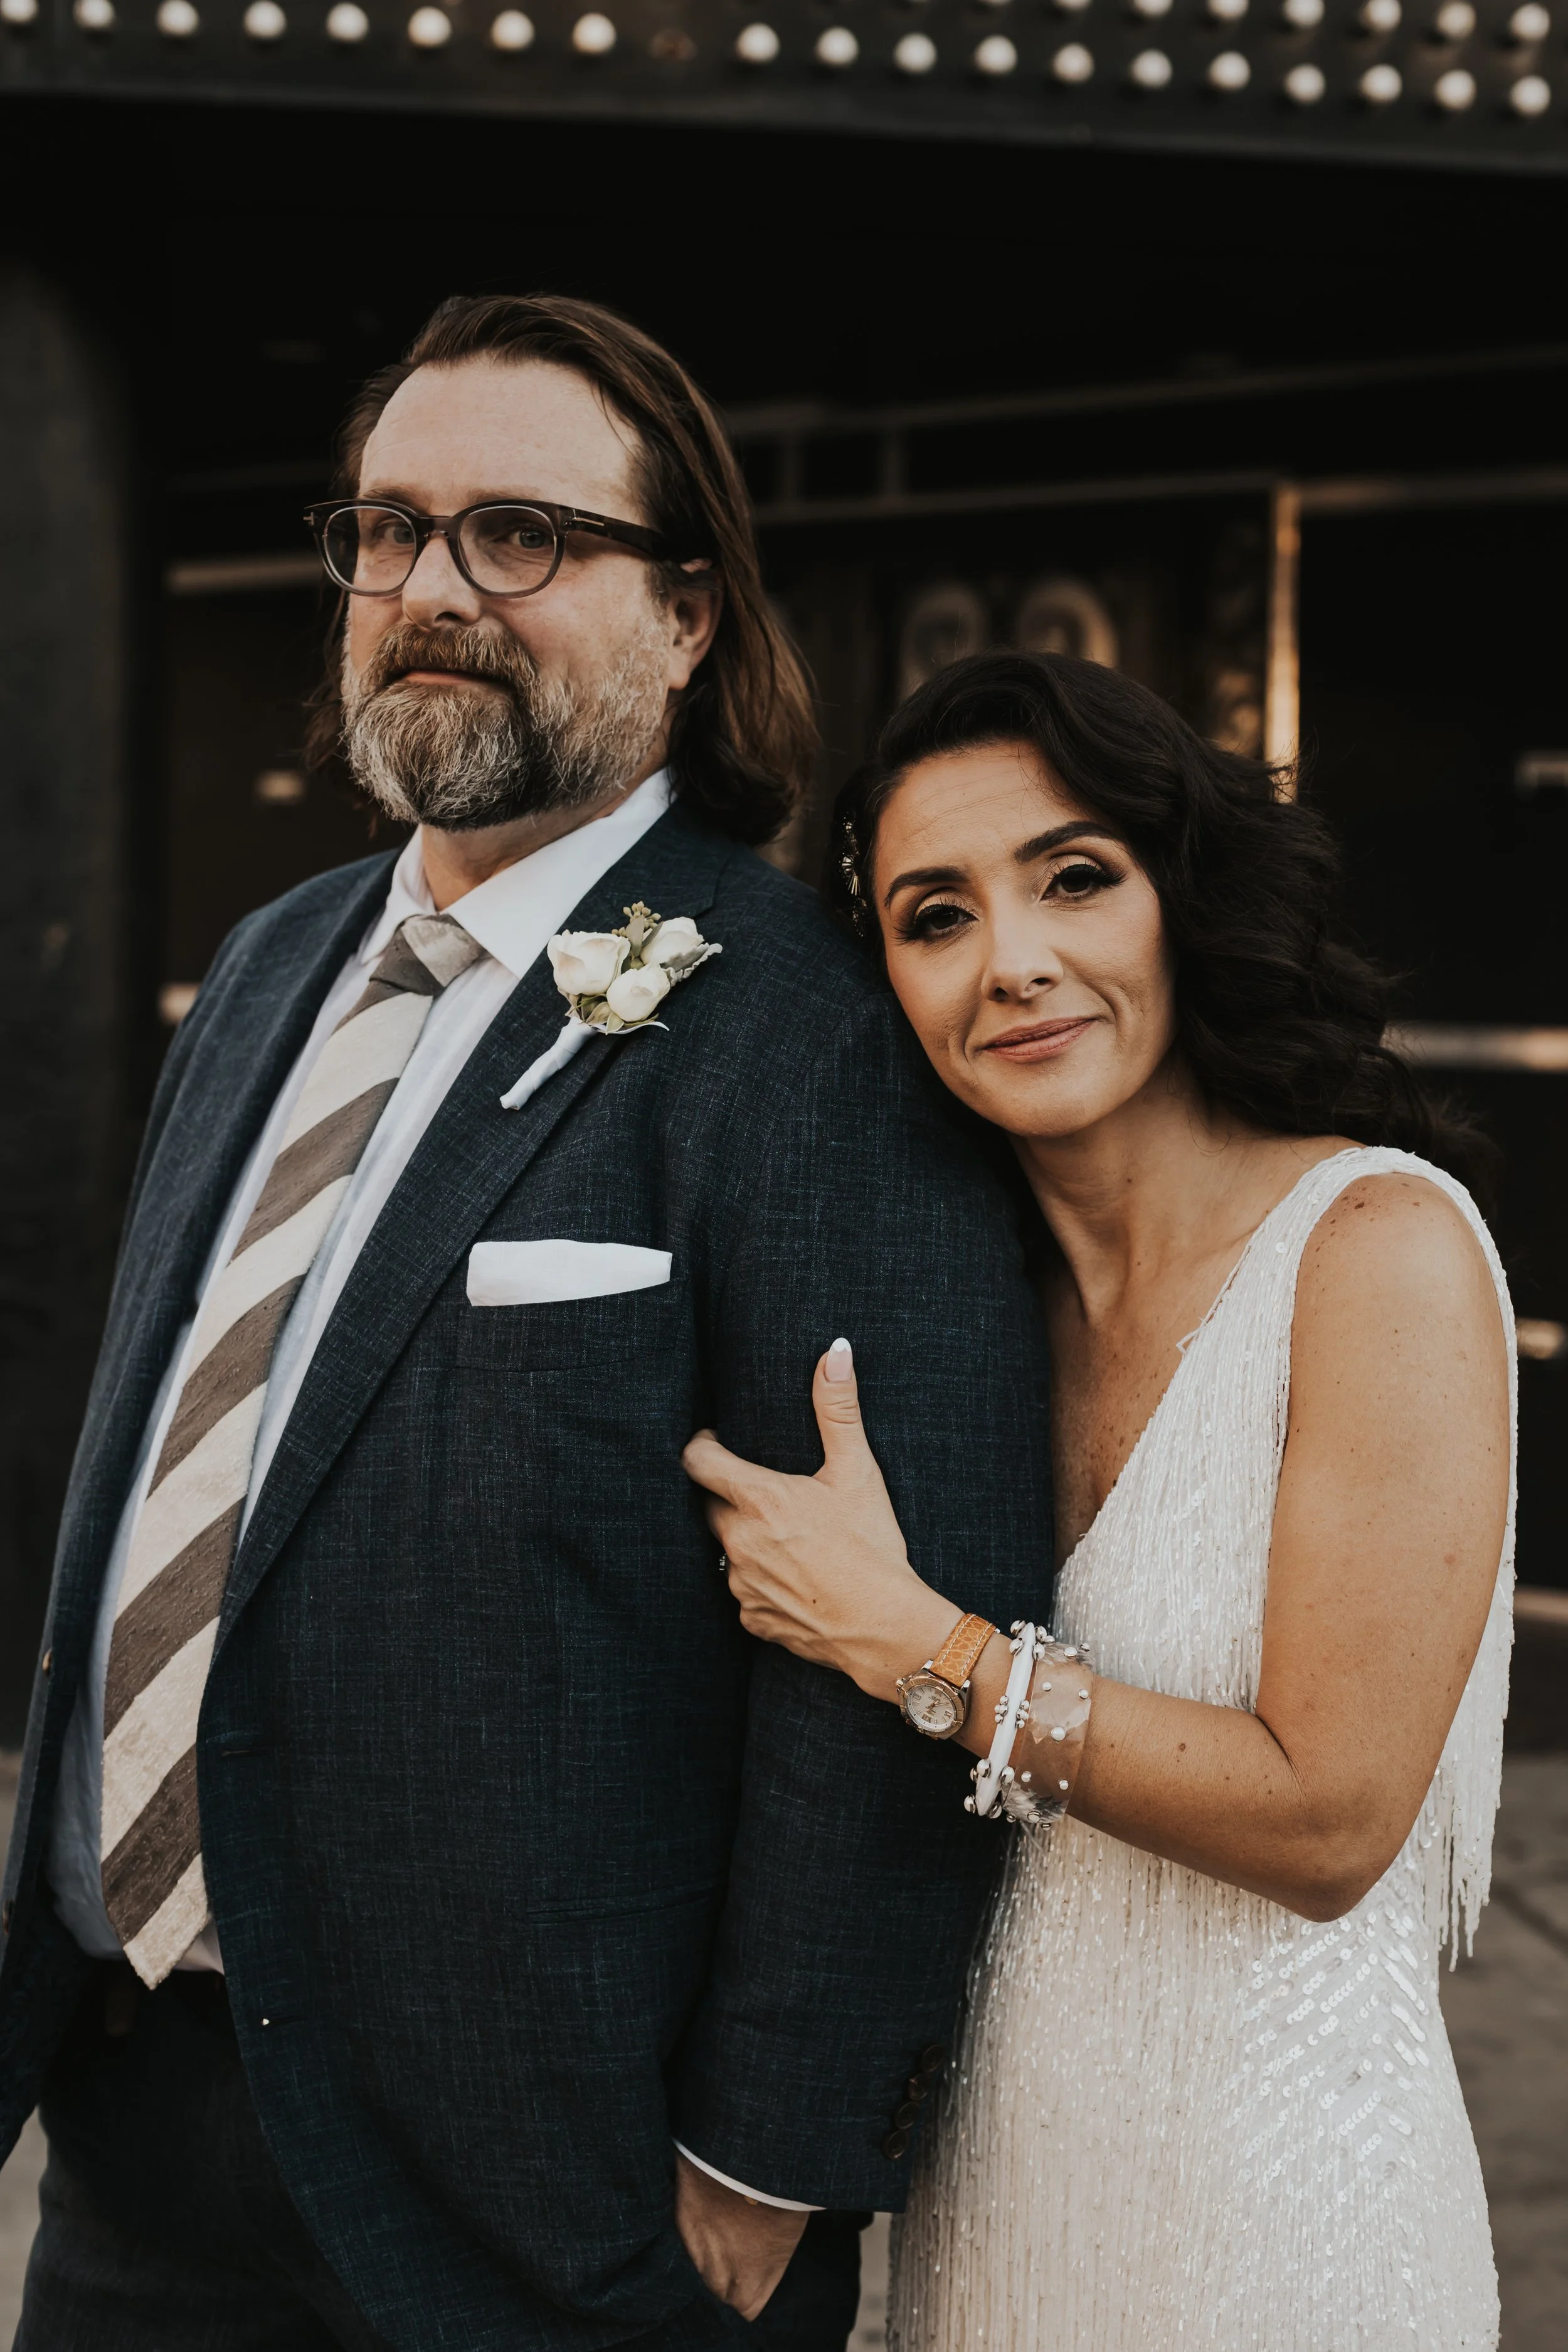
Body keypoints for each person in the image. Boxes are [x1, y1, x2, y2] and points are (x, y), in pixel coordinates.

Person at [0, 300, 1054, 2352]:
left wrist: (768, 2151)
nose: (431, 591)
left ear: (683, 615)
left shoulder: (805, 1032)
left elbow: (898, 1624)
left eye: (518, 535)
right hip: (135, 2127)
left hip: (549, 2189)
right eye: (388, 529)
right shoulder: (264, 966)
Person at [686, 649, 1513, 2351]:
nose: (1016, 963)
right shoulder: (953, 1308)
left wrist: (916, 1644)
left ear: (1176, 891)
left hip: (1281, 2216)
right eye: (934, 915)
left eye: (1072, 877)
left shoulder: (1374, 1255)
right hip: (995, 2195)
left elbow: (1330, 1817)